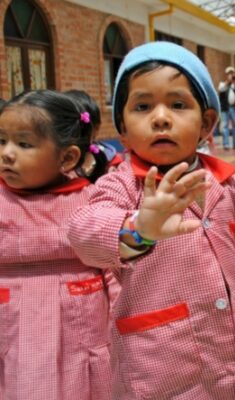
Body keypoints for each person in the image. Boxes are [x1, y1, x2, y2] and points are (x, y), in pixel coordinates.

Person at [67, 42, 235, 400]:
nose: (161, 117)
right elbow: (84, 231)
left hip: (234, 359)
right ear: (122, 128)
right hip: (160, 368)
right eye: (142, 106)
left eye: (178, 104)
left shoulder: (226, 184)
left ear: (207, 123)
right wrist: (139, 228)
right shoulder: (119, 186)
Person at [0, 89, 111, 399]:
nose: (7, 153)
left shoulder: (92, 202)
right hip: (10, 332)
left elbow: (116, 274)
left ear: (68, 157)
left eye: (23, 144)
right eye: (1, 141)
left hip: (79, 333)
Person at [64, 89, 122, 182]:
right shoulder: (54, 168)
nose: (72, 135)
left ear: (96, 129)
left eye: (81, 129)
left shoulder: (113, 164)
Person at [218, 66, 235, 150]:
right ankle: (226, 144)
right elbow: (220, 89)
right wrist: (228, 82)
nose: (231, 75)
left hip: (234, 108)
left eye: (232, 73)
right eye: (229, 74)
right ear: (226, 75)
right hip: (225, 108)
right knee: (225, 126)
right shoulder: (222, 83)